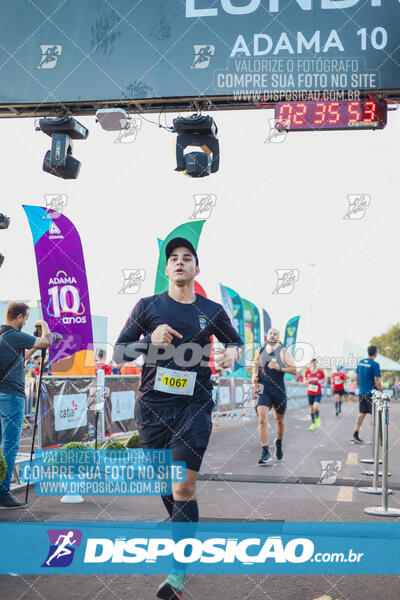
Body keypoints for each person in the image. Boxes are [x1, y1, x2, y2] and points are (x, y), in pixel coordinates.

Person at [113, 237, 243, 600]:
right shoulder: (147, 306)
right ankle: (182, 530)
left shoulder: (211, 309)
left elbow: (235, 343)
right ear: (167, 269)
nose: (181, 263)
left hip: (194, 406)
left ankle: (177, 571)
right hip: (153, 408)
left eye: (188, 258)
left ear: (196, 268)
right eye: (174, 259)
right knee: (165, 485)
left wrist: (231, 353)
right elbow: (120, 350)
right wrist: (149, 340)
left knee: (183, 486)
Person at [0, 302, 51, 508]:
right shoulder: (13, 334)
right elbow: (46, 342)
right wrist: (44, 324)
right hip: (12, 395)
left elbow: (18, 361)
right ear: (19, 318)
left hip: (2, 393)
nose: (27, 322)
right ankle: (3, 492)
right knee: (11, 444)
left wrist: (32, 349)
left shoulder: (3, 336)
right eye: (27, 319)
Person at [252, 328, 297, 464]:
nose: (272, 335)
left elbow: (294, 370)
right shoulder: (259, 351)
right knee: (262, 419)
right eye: (271, 333)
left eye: (275, 334)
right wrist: (254, 375)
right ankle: (265, 451)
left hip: (278, 390)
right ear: (267, 336)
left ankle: (279, 442)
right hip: (263, 389)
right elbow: (255, 364)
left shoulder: (283, 351)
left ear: (278, 337)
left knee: (279, 420)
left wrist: (279, 367)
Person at [352, 345, 382, 444]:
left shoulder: (360, 363)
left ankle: (355, 434)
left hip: (362, 392)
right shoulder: (375, 364)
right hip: (372, 393)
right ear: (375, 353)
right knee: (374, 415)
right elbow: (377, 380)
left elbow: (356, 376)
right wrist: (381, 392)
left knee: (361, 413)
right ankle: (377, 438)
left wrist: (358, 387)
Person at [304, 359, 326, 431]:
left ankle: (317, 419)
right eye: (312, 364)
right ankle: (313, 423)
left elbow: (325, 380)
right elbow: (304, 382)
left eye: (315, 364)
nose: (314, 365)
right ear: (310, 364)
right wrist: (307, 381)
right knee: (311, 409)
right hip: (310, 393)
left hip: (317, 392)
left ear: (317, 364)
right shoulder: (307, 372)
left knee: (315, 406)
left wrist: (321, 381)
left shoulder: (320, 372)